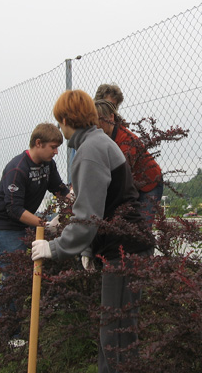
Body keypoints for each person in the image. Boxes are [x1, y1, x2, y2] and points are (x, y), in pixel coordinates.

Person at [32, 90, 153, 373]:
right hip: (124, 247)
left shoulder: (89, 151)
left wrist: (54, 247)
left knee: (115, 336)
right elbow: (100, 203)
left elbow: (87, 215)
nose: (60, 127)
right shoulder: (97, 143)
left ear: (66, 120)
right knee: (118, 332)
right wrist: (87, 248)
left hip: (124, 251)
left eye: (59, 121)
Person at [0, 123, 69, 342]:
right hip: (4, 225)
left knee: (57, 252)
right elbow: (13, 209)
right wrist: (45, 225)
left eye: (58, 147)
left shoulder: (48, 164)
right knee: (13, 275)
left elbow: (59, 188)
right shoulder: (17, 169)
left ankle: (54, 304)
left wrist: (73, 199)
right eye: (53, 147)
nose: (56, 152)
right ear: (38, 143)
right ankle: (10, 334)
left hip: (27, 222)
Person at [95, 99, 163, 227]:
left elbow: (122, 173)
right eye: (94, 120)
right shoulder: (104, 138)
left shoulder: (125, 139)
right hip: (133, 186)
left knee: (142, 229)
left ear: (111, 117)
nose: (97, 124)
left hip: (150, 184)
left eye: (101, 119)